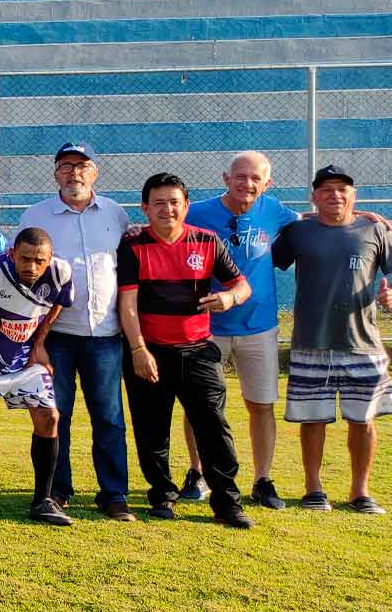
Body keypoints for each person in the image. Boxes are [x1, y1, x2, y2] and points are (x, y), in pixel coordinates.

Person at [117, 173, 253, 528]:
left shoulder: (207, 242)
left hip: (198, 352)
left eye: (174, 202)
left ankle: (227, 502)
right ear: (145, 208)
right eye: (158, 203)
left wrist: (229, 297)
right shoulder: (132, 246)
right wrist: (138, 350)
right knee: (151, 431)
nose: (167, 209)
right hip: (150, 354)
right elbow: (127, 305)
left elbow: (242, 286)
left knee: (214, 428)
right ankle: (162, 494)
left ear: (186, 206)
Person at [13, 143, 135, 520]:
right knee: (56, 413)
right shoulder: (36, 216)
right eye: (66, 166)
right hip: (57, 337)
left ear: (94, 172)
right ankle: (57, 490)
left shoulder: (116, 213)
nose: (74, 173)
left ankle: (113, 494)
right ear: (55, 174)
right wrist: (36, 341)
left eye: (82, 166)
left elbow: (126, 269)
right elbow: (22, 278)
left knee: (109, 417)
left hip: (105, 335)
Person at [180, 151, 297, 508]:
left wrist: (363, 216)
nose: (247, 184)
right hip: (206, 325)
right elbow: (164, 227)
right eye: (240, 176)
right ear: (225, 178)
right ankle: (197, 473)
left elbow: (314, 220)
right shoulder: (198, 212)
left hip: (259, 326)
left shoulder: (274, 211)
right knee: (200, 405)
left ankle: (263, 479)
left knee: (260, 405)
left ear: (267, 183)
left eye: (255, 178)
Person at [272, 165, 392, 515]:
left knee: (363, 419)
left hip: (363, 343)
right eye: (326, 189)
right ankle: (314, 488)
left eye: (342, 189)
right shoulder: (297, 232)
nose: (334, 195)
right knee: (313, 419)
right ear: (314, 196)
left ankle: (360, 491)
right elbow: (264, 261)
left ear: (353, 195)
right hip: (311, 342)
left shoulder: (375, 229)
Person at [0, 228, 75, 526]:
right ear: (11, 253)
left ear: (50, 258)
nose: (31, 267)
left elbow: (59, 303)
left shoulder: (61, 272)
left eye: (39, 260)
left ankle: (43, 500)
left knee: (50, 417)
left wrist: (39, 342)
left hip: (27, 361)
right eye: (24, 259)